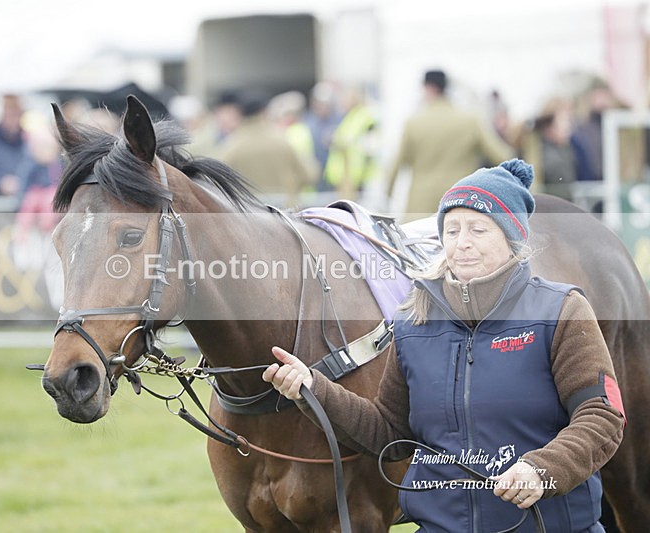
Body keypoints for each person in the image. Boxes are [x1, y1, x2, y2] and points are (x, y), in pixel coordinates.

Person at [263, 159, 625, 532]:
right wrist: (314, 389)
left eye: (478, 229)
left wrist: (541, 471)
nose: (462, 242)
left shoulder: (561, 310)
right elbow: (390, 432)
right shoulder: (413, 321)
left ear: (511, 238)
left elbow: (603, 417)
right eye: (451, 230)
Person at [386, 69, 513, 219]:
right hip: (460, 201)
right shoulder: (471, 121)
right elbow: (503, 156)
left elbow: (395, 166)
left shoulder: (413, 123)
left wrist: (387, 195)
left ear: (428, 88)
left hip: (419, 207)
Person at [218, 89, 315, 207]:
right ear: (264, 112)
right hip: (284, 214)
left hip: (249, 215)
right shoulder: (282, 140)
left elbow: (218, 181)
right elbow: (308, 175)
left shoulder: (231, 145)